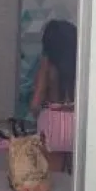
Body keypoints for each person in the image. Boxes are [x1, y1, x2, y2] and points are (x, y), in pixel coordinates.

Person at [30, 19, 77, 171]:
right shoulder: (81, 65)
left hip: (53, 126)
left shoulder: (48, 65)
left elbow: (35, 103)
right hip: (76, 124)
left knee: (54, 177)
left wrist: (37, 113)